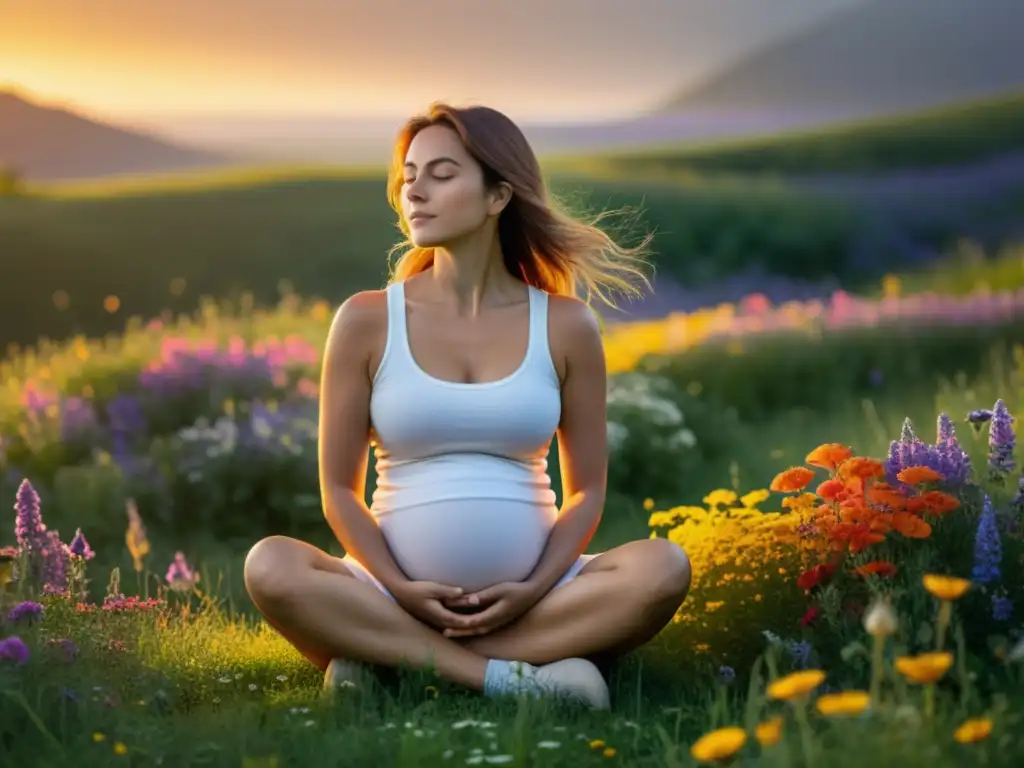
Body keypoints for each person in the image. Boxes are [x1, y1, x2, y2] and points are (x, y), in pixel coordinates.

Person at [243, 102, 691, 710]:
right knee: (270, 566)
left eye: (442, 174)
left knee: (662, 568)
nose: (415, 191)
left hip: (534, 595)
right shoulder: (367, 320)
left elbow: (586, 491)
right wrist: (401, 590)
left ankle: (388, 661)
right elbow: (339, 492)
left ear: (498, 195)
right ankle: (509, 678)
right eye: (409, 175)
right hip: (387, 590)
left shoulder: (566, 325)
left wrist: (531, 590)